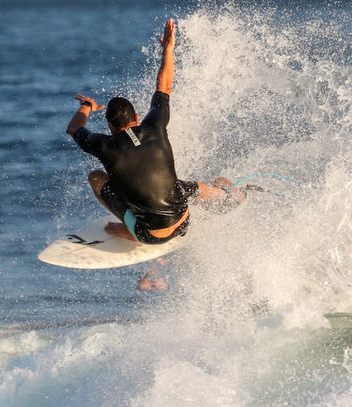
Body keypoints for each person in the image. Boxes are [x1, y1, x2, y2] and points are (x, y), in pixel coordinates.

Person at [66, 19, 234, 244]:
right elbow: (164, 86)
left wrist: (87, 106)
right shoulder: (154, 125)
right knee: (173, 185)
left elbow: (74, 128)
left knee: (96, 177)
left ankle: (129, 227)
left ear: (110, 127)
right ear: (136, 119)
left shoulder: (104, 145)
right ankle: (223, 196)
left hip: (152, 236)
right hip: (185, 219)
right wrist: (168, 49)